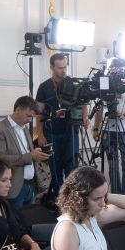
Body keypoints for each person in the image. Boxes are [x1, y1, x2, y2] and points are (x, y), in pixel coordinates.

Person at [35, 52, 84, 198]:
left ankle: (72, 198)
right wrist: (41, 135)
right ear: (52, 67)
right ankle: (58, 199)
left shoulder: (73, 83)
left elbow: (83, 101)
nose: (63, 70)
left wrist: (85, 117)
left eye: (65, 66)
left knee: (72, 167)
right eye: (59, 67)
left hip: (72, 131)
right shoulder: (44, 87)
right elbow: (39, 113)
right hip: (52, 132)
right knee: (55, 168)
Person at [92, 57, 125, 195]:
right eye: (113, 67)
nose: (115, 70)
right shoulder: (104, 83)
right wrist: (96, 128)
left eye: (118, 68)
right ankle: (115, 194)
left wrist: (124, 115)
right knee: (112, 163)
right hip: (108, 128)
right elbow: (100, 109)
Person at [0, 96, 50, 212]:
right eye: (28, 116)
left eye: (32, 117)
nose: (30, 120)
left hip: (31, 185)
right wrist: (30, 156)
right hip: (14, 187)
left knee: (28, 224)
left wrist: (37, 154)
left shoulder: (25, 128)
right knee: (15, 225)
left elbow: (28, 153)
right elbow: (0, 159)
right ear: (18, 110)